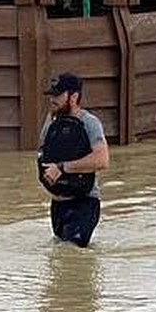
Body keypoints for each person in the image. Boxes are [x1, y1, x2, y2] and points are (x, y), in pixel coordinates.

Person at [37, 72, 109, 248]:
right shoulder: (51, 121)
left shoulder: (90, 123)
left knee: (70, 252)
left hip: (84, 203)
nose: (52, 100)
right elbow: (43, 153)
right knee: (60, 260)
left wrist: (62, 168)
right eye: (51, 95)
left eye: (58, 95)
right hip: (58, 205)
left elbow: (102, 160)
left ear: (73, 96)